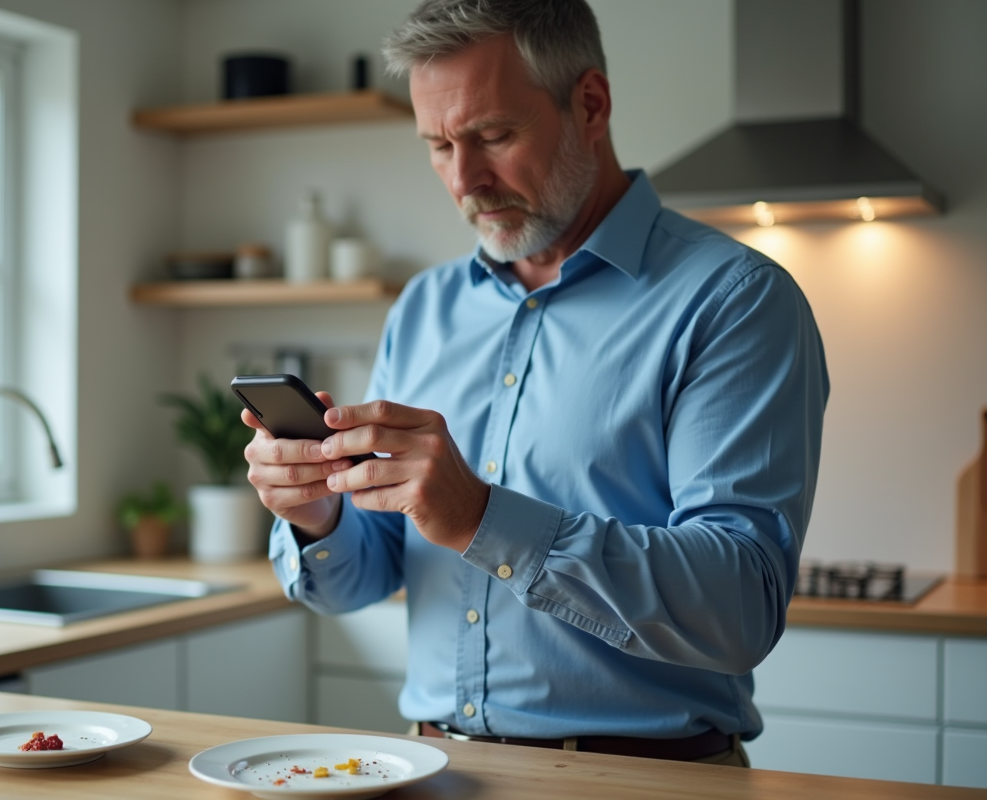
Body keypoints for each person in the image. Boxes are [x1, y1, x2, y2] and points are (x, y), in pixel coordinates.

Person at [241, 0, 828, 766]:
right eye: (438, 145)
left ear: (589, 105)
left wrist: (484, 518)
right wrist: (318, 517)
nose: (464, 179)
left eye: (492, 136)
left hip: (644, 781)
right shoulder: (424, 308)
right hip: (429, 768)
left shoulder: (733, 301)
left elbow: (741, 607)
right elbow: (363, 575)